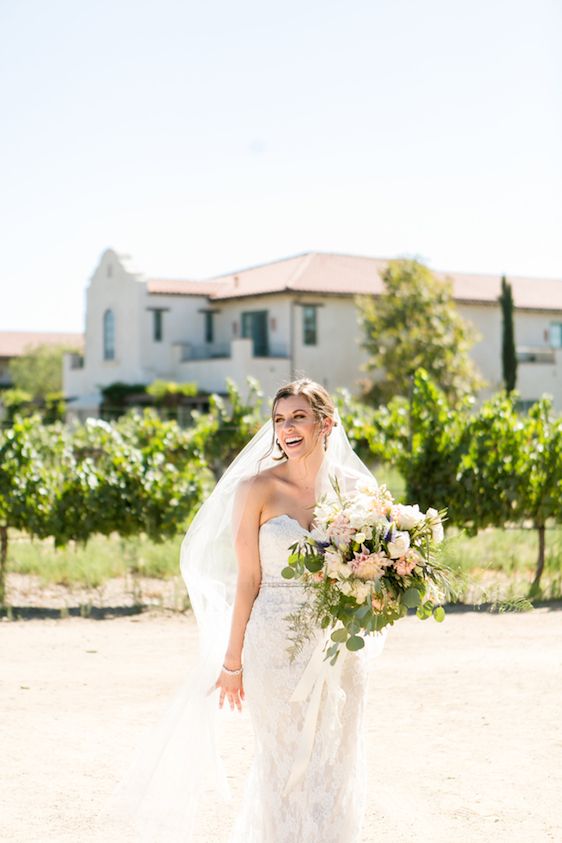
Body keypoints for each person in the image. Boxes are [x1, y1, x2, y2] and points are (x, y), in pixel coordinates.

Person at [101, 377, 387, 842]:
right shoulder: (255, 488)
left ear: (326, 423)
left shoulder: (358, 490)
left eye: (298, 417)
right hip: (274, 642)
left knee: (336, 757)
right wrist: (231, 662)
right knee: (283, 759)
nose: (287, 427)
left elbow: (374, 571)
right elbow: (248, 580)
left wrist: (382, 585)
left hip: (338, 646)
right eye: (279, 419)